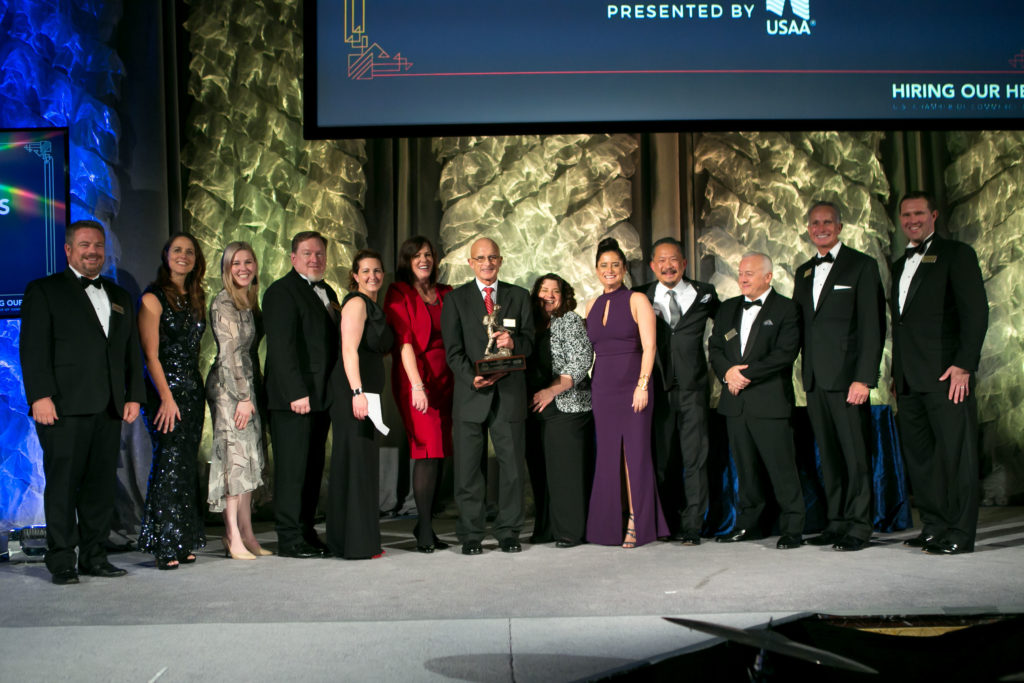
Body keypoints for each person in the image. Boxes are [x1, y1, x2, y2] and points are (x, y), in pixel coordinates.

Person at [20, 220, 145, 585]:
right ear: (69, 250)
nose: (93, 252)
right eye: (85, 245)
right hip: (61, 407)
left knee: (99, 487)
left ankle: (94, 555)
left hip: (108, 407)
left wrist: (134, 395)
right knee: (63, 485)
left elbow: (129, 353)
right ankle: (60, 558)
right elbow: (33, 349)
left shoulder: (120, 295)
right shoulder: (44, 291)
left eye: (98, 246)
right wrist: (40, 396)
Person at [891, 192, 988, 555]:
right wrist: (894, 375)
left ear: (933, 215)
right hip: (909, 380)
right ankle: (933, 526)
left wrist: (964, 364)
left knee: (956, 457)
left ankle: (961, 534)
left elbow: (975, 312)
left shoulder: (957, 255)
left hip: (948, 376)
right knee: (922, 459)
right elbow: (902, 325)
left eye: (918, 213)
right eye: (905, 215)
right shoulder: (900, 264)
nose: (911, 220)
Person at [794, 201, 885, 552]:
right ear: (808, 228)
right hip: (815, 381)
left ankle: (860, 527)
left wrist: (864, 379)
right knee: (829, 458)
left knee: (855, 458)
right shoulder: (803, 272)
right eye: (815, 223)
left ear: (840, 226)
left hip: (849, 382)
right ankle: (836, 522)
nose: (821, 228)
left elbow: (872, 326)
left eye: (827, 222)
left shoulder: (861, 266)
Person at [441, 237, 534, 555]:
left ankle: (509, 532)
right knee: (468, 468)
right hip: (471, 394)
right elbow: (452, 352)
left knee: (511, 467)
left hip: (509, 393)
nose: (487, 263)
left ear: (501, 260)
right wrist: (472, 377)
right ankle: (470, 534)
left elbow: (531, 343)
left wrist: (515, 341)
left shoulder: (519, 297)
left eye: (493, 257)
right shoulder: (456, 300)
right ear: (471, 263)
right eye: (480, 258)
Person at [708, 252, 804, 549]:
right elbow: (715, 349)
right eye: (741, 273)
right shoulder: (727, 308)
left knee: (782, 469)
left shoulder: (787, 309)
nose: (743, 278)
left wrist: (743, 375)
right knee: (746, 470)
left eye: (750, 273)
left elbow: (785, 354)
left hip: (770, 402)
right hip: (735, 404)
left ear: (768, 277)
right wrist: (727, 373)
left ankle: (792, 528)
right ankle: (749, 525)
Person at [635, 237, 719, 545]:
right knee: (661, 459)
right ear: (652, 266)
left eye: (674, 260)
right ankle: (664, 522)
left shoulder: (705, 294)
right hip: (656, 390)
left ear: (684, 263)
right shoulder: (640, 296)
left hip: (693, 389)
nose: (668, 266)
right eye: (661, 261)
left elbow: (726, 332)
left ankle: (693, 524)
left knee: (695, 458)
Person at [585, 238, 668, 548]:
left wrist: (642, 385)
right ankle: (608, 525)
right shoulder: (591, 304)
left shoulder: (637, 300)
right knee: (608, 457)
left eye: (615, 265)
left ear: (624, 269)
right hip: (603, 389)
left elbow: (650, 346)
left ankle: (638, 521)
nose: (610, 270)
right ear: (596, 270)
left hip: (634, 388)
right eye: (604, 265)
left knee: (635, 456)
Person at [263, 231, 340, 559]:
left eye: (320, 254)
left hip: (321, 398)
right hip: (293, 400)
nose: (314, 259)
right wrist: (296, 392)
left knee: (311, 470)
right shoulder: (281, 292)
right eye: (307, 253)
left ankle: (306, 532)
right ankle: (289, 538)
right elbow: (282, 348)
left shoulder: (328, 291)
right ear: (293, 258)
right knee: (293, 471)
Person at [137, 233, 208, 569]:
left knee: (183, 467)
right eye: (177, 250)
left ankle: (182, 540)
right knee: (167, 464)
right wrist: (166, 398)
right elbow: (150, 356)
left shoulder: (195, 296)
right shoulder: (153, 298)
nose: (183, 256)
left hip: (193, 392)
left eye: (189, 252)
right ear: (166, 255)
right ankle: (164, 544)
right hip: (165, 393)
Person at [383, 237, 454, 553]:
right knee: (426, 450)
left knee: (439, 453)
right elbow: (405, 342)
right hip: (417, 377)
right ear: (406, 261)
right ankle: (423, 527)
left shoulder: (446, 293)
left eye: (428, 254)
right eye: (416, 256)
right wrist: (417, 385)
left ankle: (425, 522)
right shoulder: (399, 293)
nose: (424, 259)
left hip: (447, 380)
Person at [326, 250, 394, 559]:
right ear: (355, 275)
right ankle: (356, 544)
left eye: (377, 270)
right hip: (354, 393)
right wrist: (357, 393)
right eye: (365, 271)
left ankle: (350, 541)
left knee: (360, 463)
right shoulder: (356, 303)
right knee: (356, 464)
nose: (372, 276)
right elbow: (348, 350)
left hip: (365, 394)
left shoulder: (373, 305)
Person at [206, 241, 271, 560]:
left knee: (249, 462)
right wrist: (243, 396)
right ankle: (232, 536)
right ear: (226, 269)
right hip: (230, 389)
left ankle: (248, 533)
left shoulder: (247, 300)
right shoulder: (224, 303)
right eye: (236, 263)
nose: (244, 268)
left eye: (248, 262)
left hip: (248, 386)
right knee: (236, 462)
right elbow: (229, 353)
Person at [526, 273, 594, 548]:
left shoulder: (571, 321)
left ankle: (569, 531)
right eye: (544, 290)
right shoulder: (531, 324)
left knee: (565, 473)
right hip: (536, 408)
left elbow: (581, 362)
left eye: (555, 290)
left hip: (568, 406)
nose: (549, 295)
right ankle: (546, 528)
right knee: (541, 472)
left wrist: (551, 391)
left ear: (564, 295)